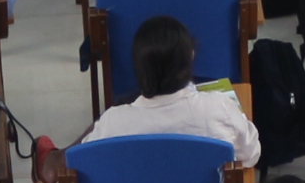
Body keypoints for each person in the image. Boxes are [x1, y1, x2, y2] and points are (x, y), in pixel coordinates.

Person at [74, 14, 259, 168]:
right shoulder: (219, 108)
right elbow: (251, 155)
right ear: (191, 56)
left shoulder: (112, 123)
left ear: (138, 66)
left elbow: (82, 163)